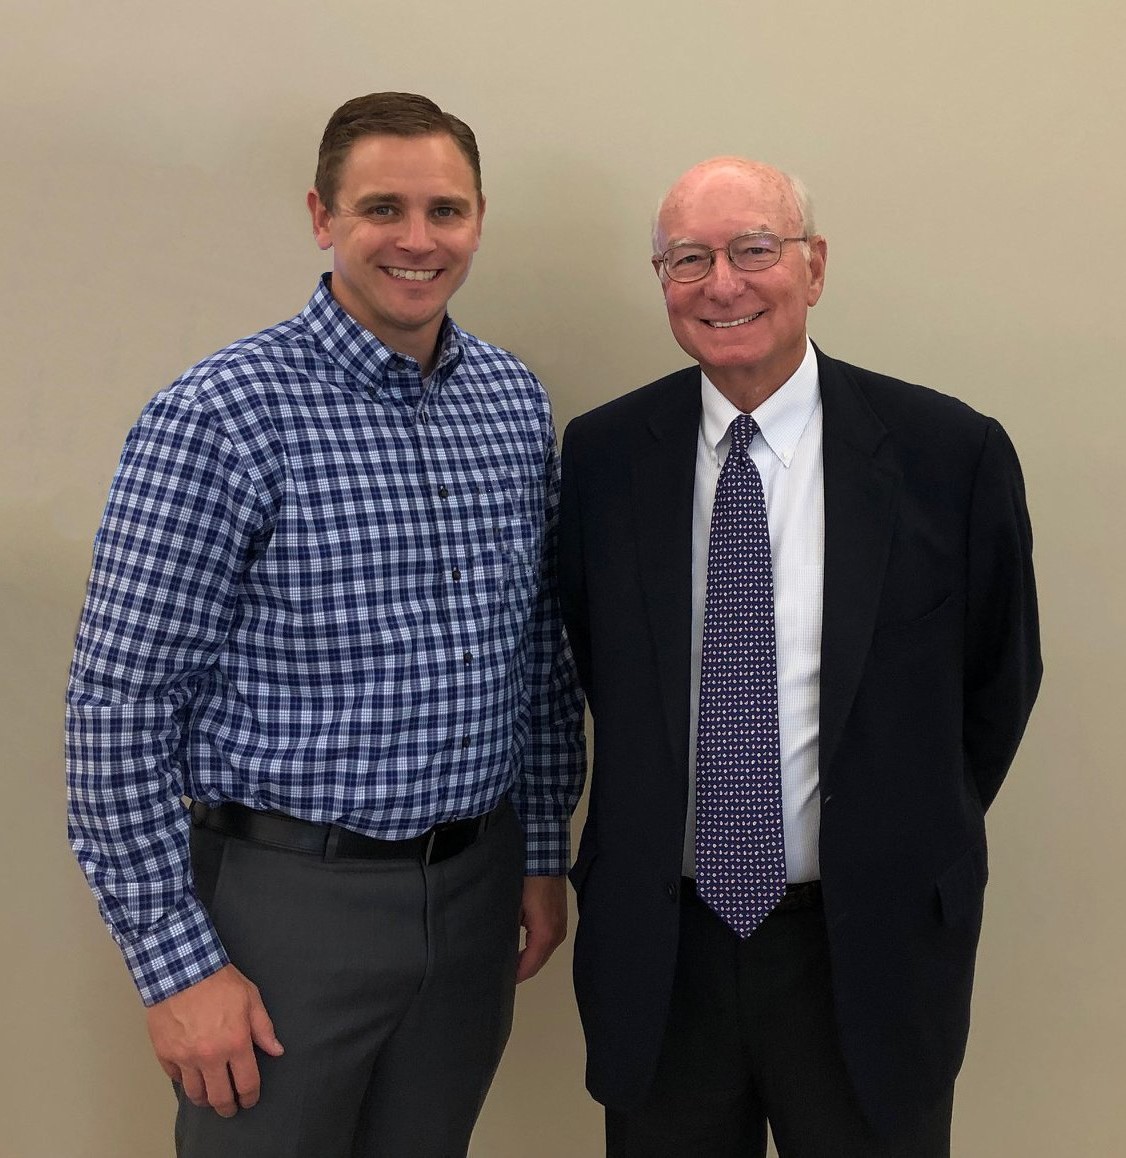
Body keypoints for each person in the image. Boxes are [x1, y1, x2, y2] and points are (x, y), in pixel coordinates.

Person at [66, 91, 585, 1158]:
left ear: (478, 220)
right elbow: (117, 704)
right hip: (284, 913)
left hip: (473, 892)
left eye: (445, 210)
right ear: (321, 216)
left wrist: (538, 852)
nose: (415, 239)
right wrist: (177, 964)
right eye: (380, 207)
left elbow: (535, 655)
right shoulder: (220, 416)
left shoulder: (511, 403)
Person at [557, 156, 1041, 1156]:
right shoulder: (603, 459)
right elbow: (592, 661)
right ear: (662, 282)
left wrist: (895, 822)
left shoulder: (947, 455)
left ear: (812, 268)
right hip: (667, 949)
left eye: (754, 249)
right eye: (688, 258)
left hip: (865, 948)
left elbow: (999, 680)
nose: (721, 283)